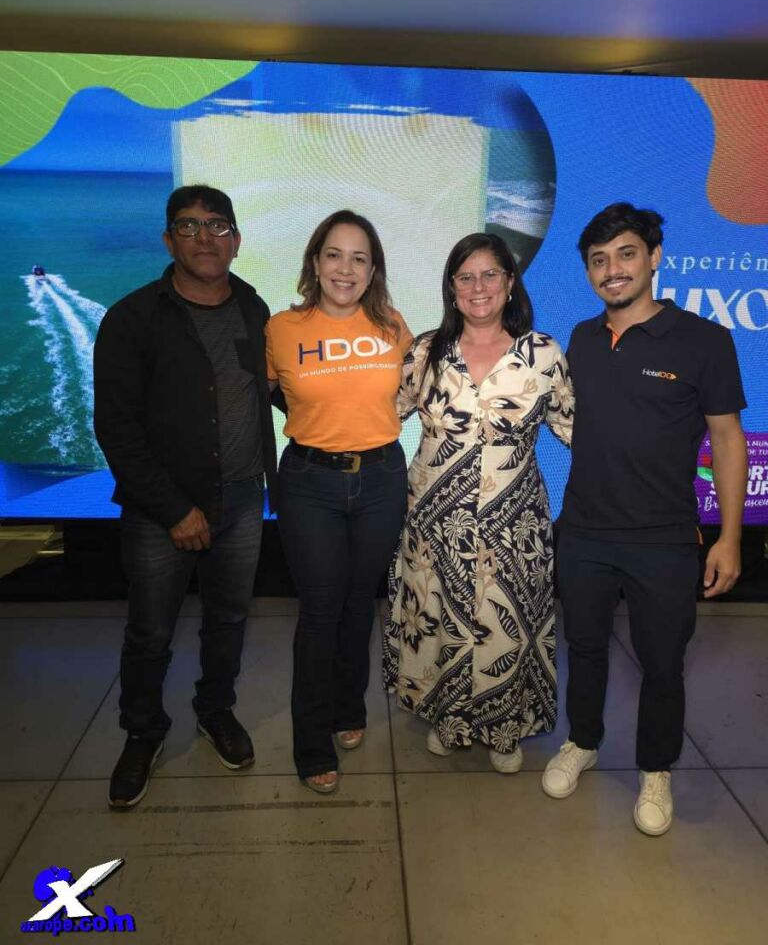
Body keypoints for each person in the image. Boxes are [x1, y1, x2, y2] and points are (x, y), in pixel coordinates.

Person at [542, 202, 747, 835]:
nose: (612, 269)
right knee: (584, 648)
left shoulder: (704, 340)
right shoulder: (580, 339)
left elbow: (728, 439)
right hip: (583, 532)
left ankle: (656, 769)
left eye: (626, 254)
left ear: (654, 258)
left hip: (664, 540)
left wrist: (730, 537)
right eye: (598, 260)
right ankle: (582, 740)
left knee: (662, 664)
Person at [94, 184, 277, 809]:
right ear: (169, 240)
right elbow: (116, 428)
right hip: (161, 510)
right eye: (189, 225)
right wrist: (174, 509)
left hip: (243, 499)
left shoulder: (254, 307)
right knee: (150, 632)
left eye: (217, 225)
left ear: (236, 240)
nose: (205, 237)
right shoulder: (132, 318)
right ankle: (142, 732)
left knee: (229, 619)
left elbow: (274, 388)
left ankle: (215, 710)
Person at [383, 232, 573, 772]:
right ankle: (448, 718)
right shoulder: (426, 352)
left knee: (505, 622)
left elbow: (576, 428)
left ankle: (505, 729)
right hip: (434, 519)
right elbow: (382, 415)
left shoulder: (542, 354)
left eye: (490, 274)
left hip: (515, 521)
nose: (478, 286)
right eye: (465, 277)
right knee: (438, 617)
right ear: (451, 288)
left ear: (510, 283)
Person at [266, 210, 412, 793]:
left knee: (358, 602)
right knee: (321, 607)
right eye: (334, 254)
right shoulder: (282, 328)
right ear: (315, 262)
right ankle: (311, 741)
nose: (345, 269)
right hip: (310, 483)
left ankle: (349, 705)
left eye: (359, 258)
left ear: (373, 270)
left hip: (381, 478)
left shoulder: (392, 326)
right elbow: (269, 392)